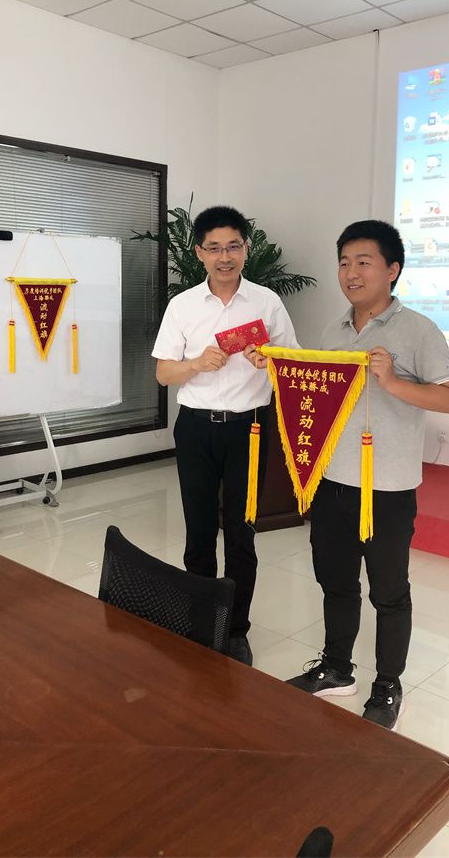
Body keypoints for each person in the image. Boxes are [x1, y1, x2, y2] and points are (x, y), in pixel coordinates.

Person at [286, 221, 449, 728]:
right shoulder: (333, 331)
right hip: (333, 481)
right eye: (344, 262)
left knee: (389, 591)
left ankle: (387, 685)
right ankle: (337, 668)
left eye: (363, 262)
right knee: (335, 582)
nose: (351, 272)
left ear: (392, 270)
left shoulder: (419, 330)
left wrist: (392, 382)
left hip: (387, 488)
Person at [152, 206, 298, 665]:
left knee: (241, 534)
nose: (225, 256)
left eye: (233, 246)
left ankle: (235, 629)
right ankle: (201, 622)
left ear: (246, 249)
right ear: (199, 253)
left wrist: (269, 359)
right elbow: (163, 374)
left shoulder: (266, 303)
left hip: (249, 429)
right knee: (198, 530)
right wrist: (196, 363)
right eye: (214, 248)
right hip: (196, 427)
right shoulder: (182, 306)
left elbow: (292, 366)